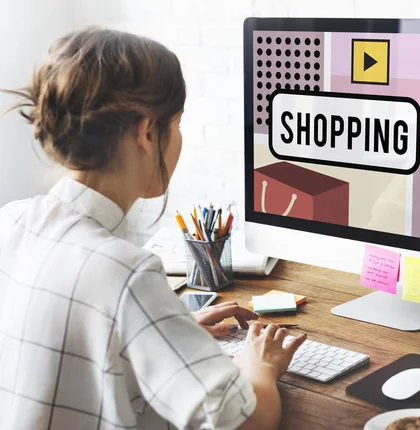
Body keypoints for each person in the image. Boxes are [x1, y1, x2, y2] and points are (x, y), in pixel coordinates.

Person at [0, 27, 306, 430]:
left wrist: (165, 329)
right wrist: (259, 366)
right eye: (176, 124)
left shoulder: (11, 221)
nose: (177, 139)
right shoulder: (126, 272)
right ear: (147, 132)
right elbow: (246, 422)